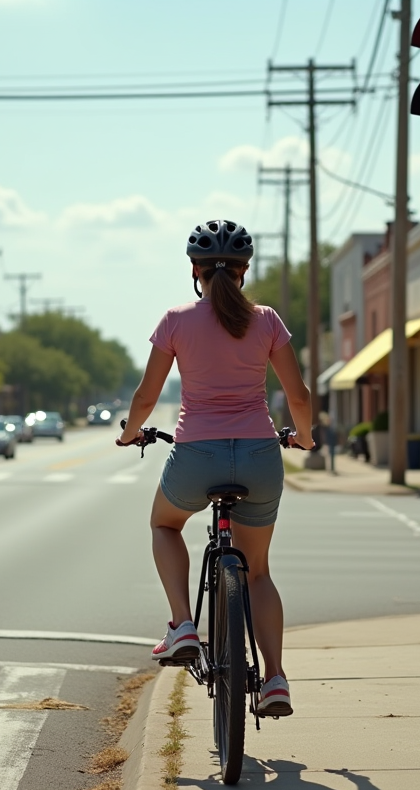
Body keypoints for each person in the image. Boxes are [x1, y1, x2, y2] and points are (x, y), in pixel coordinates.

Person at [117, 219, 314, 718]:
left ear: (194, 271)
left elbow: (146, 397)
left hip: (196, 455)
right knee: (259, 571)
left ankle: (183, 624)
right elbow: (298, 396)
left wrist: (128, 433)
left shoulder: (176, 320)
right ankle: (274, 680)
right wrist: (305, 437)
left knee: (164, 523)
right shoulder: (267, 320)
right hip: (260, 455)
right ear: (245, 270)